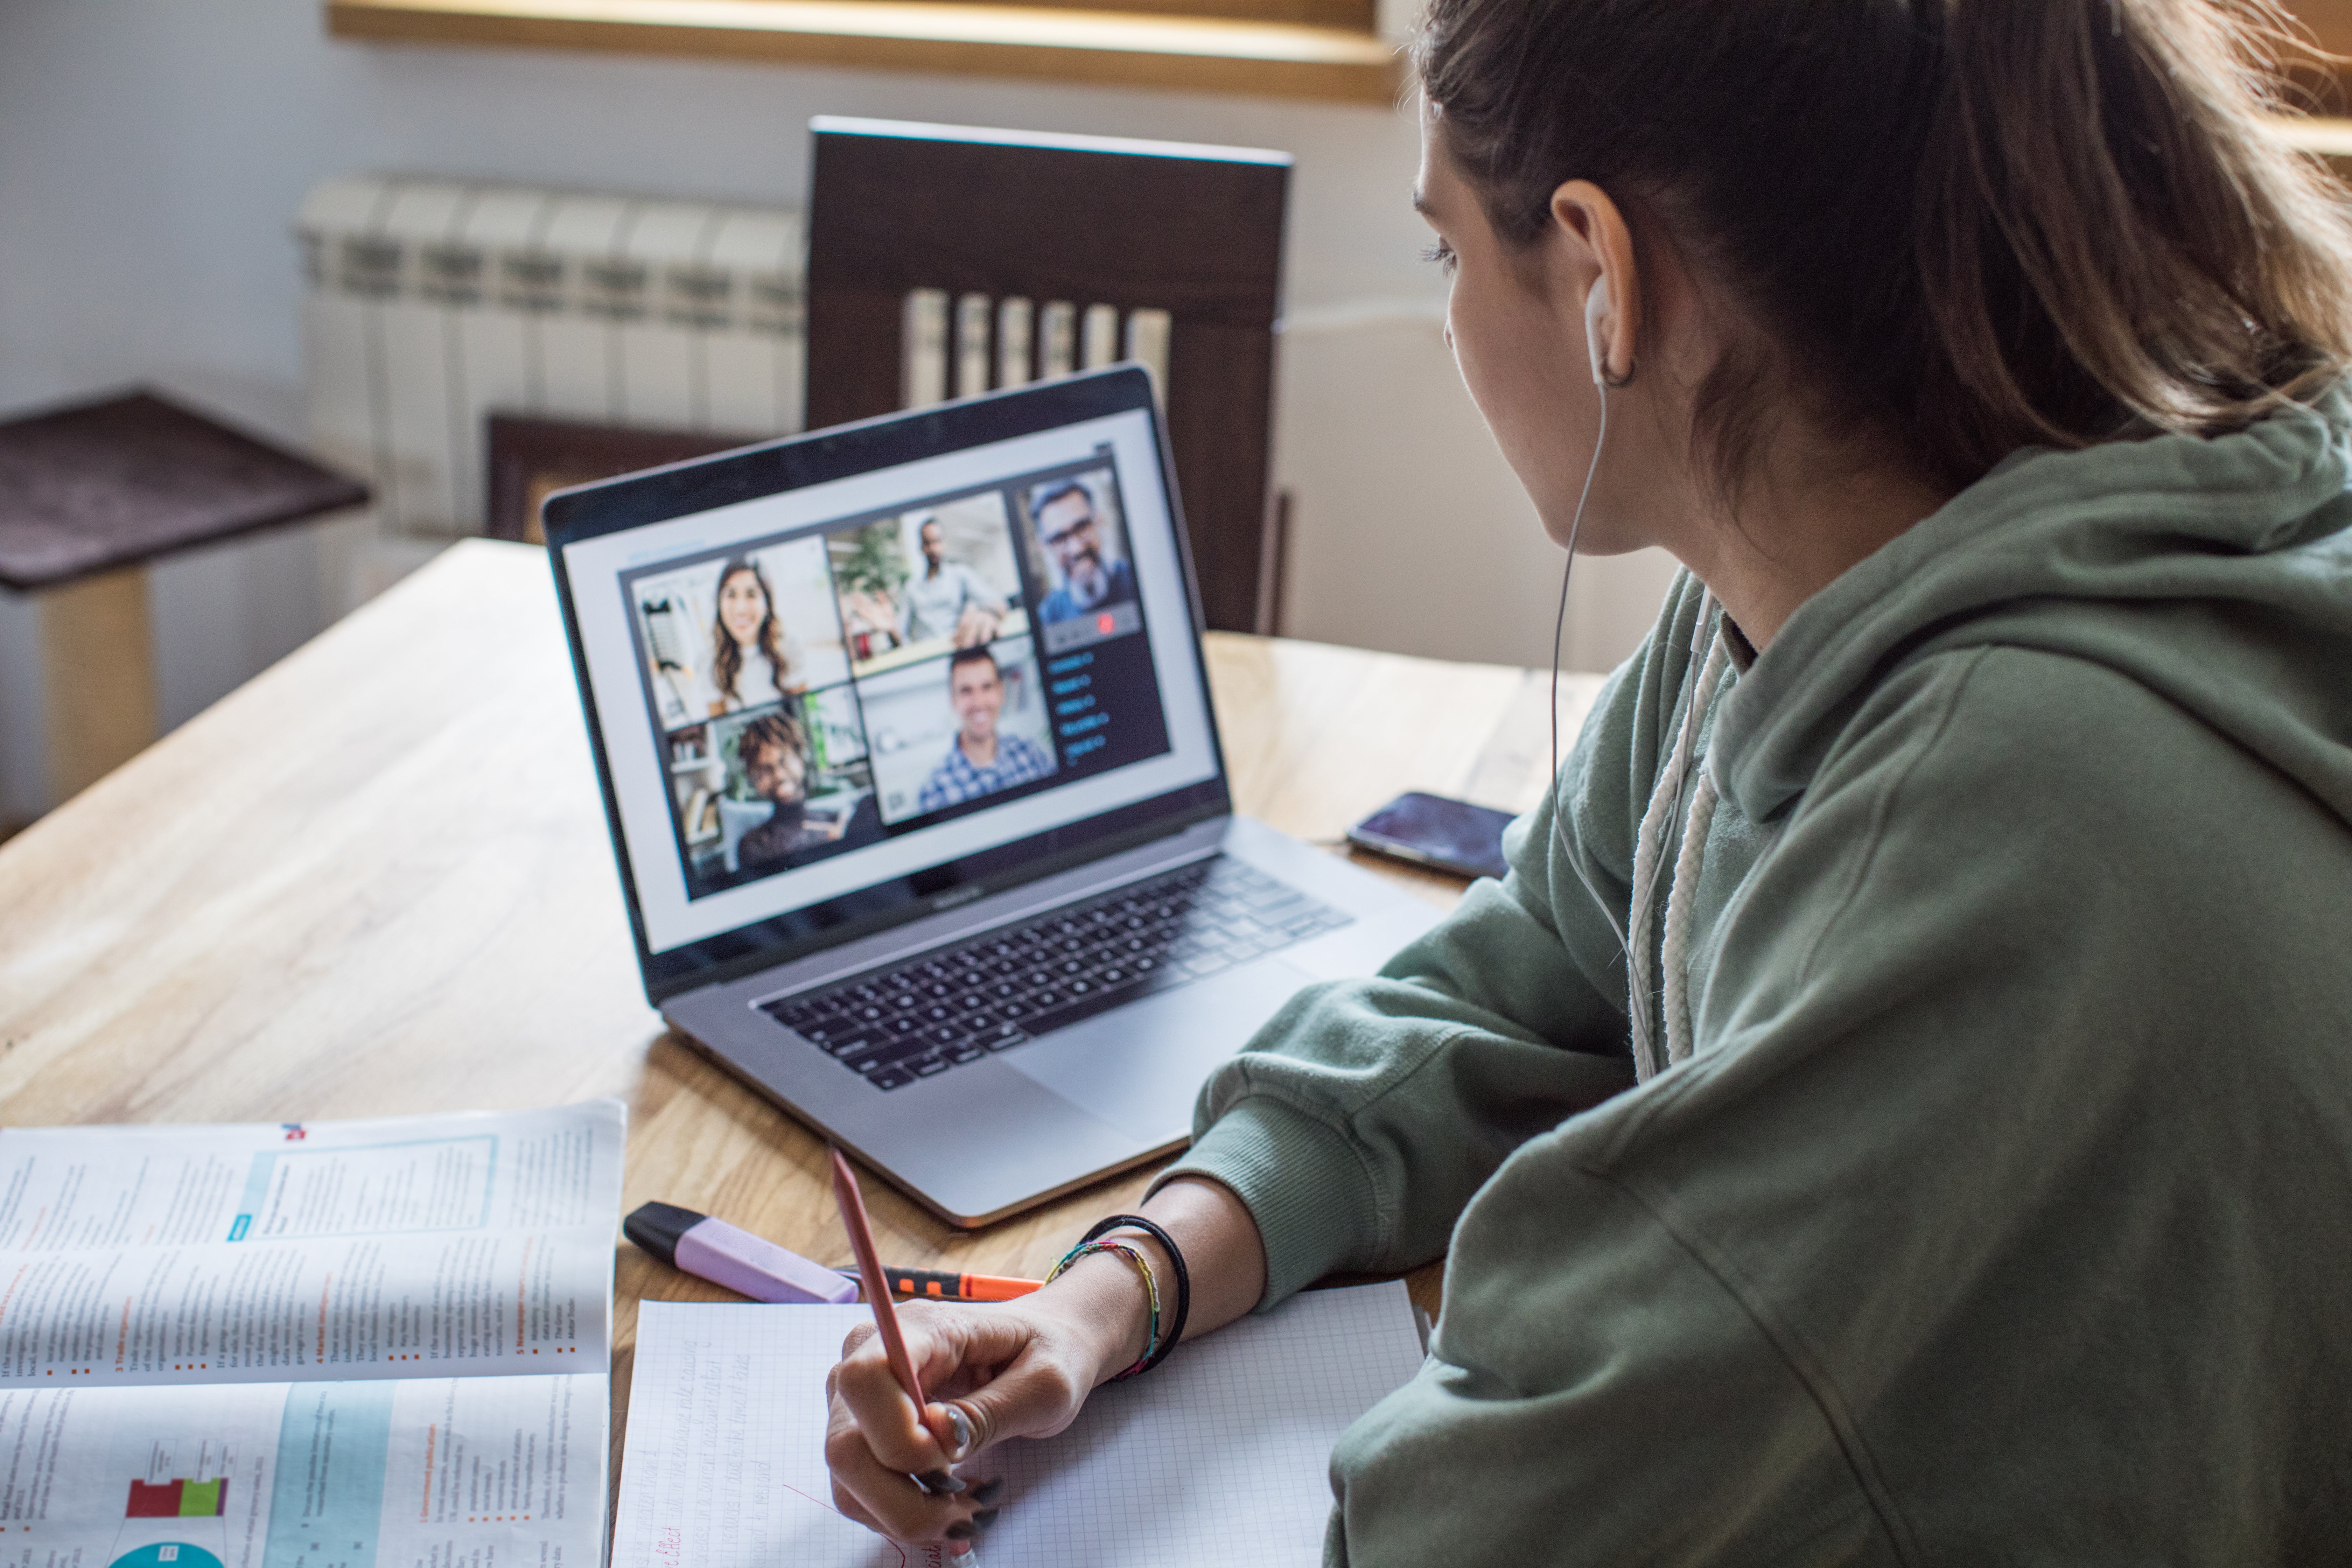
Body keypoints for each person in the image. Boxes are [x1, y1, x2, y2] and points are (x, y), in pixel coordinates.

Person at [824, 1, 2352, 1561]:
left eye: (1445, 254)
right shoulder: (1817, 576)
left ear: (1600, 274)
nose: (1446, 314)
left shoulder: (2004, 829)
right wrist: (1118, 1287)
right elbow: (1528, 976)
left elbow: (1478, 1521)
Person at [732, 709, 880, 868]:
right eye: (765, 770)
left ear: (801, 759)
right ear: (755, 780)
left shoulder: (838, 821)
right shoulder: (754, 845)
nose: (779, 776)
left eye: (784, 762)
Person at [916, 648, 1056, 813]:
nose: (979, 703)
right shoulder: (936, 791)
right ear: (954, 701)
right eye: (966, 691)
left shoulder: (1032, 754)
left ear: (1001, 693)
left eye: (987, 687)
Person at [702, 558, 805, 714]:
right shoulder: (708, 662)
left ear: (767, 603)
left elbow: (803, 716)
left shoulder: (789, 647)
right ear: (719, 602)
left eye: (751, 594)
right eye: (731, 594)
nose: (741, 609)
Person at [1029, 482, 1136, 624]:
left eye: (1082, 527)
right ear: (1045, 547)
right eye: (1060, 538)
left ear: (1099, 522)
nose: (1077, 548)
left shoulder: (1138, 580)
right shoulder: (1048, 617)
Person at [898, 518, 1007, 647]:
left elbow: (998, 601)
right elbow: (901, 633)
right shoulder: (912, 588)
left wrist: (986, 614)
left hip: (957, 647)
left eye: (937, 541)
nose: (933, 549)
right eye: (928, 543)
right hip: (926, 655)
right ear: (922, 548)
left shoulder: (960, 574)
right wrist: (890, 629)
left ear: (944, 543)